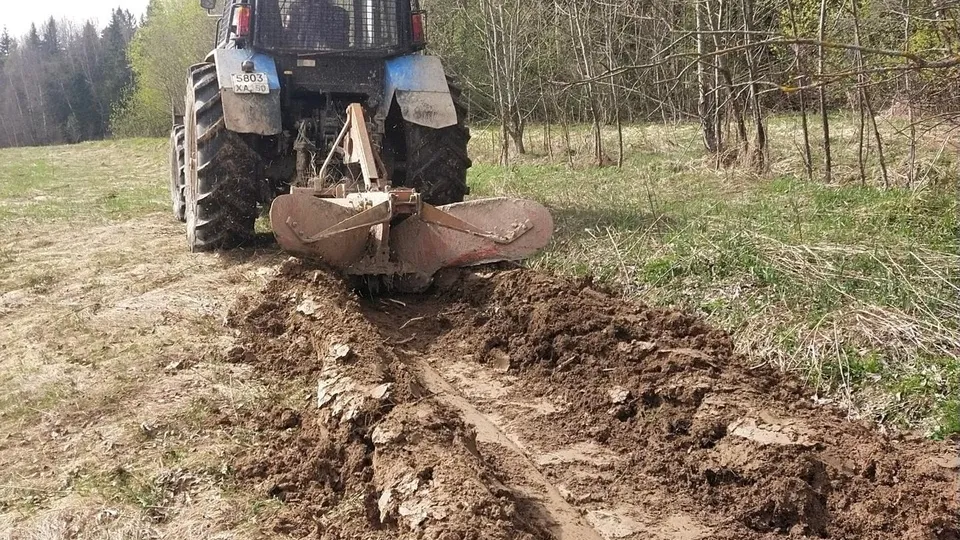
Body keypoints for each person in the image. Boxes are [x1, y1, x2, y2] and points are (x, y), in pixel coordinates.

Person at [285, 0, 350, 50]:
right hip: (300, 52)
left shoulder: (339, 14)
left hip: (328, 55)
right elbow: (289, 31)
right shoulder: (295, 9)